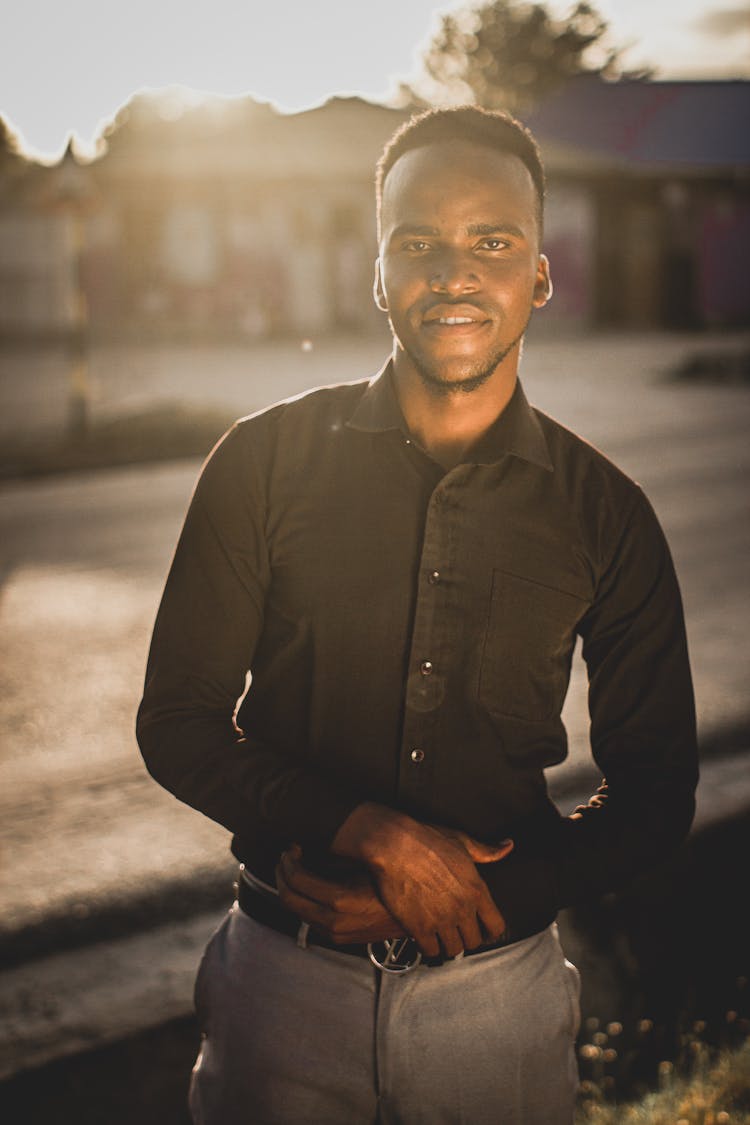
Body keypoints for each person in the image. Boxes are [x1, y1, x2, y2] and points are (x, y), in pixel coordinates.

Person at [137, 106, 698, 1125]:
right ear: (378, 273)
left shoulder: (607, 514)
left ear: (539, 273)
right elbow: (176, 724)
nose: (455, 273)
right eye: (419, 242)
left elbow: (657, 789)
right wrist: (372, 835)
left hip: (498, 1006)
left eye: (494, 242)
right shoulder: (261, 464)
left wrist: (490, 898)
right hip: (281, 997)